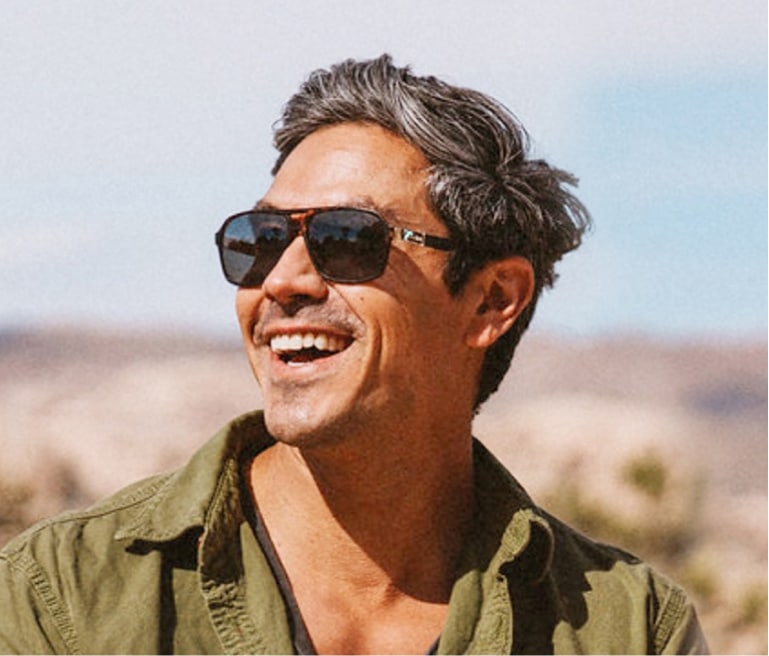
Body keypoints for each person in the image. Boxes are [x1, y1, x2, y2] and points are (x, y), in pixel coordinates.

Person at [0, 54, 707, 654]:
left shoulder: (625, 629)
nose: (283, 281)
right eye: (261, 239)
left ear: (492, 300)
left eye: (346, 239)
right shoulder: (65, 597)